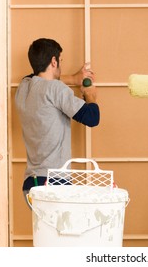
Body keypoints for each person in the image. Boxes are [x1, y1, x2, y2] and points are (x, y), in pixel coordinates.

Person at [15, 38, 100, 207]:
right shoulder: (56, 89)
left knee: (45, 234)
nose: (60, 64)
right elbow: (92, 118)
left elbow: (34, 77)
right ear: (53, 61)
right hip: (54, 183)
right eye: (60, 61)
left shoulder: (23, 87)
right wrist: (90, 95)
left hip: (31, 185)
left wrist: (75, 79)